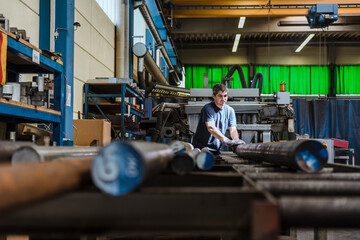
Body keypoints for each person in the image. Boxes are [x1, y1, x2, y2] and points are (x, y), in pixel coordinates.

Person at [192, 83, 245, 155]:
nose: (223, 99)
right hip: (201, 148)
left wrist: (235, 139)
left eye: (225, 96)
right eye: (220, 96)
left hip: (215, 149)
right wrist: (225, 139)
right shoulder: (208, 109)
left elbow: (233, 129)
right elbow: (211, 128)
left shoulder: (230, 110)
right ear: (213, 96)